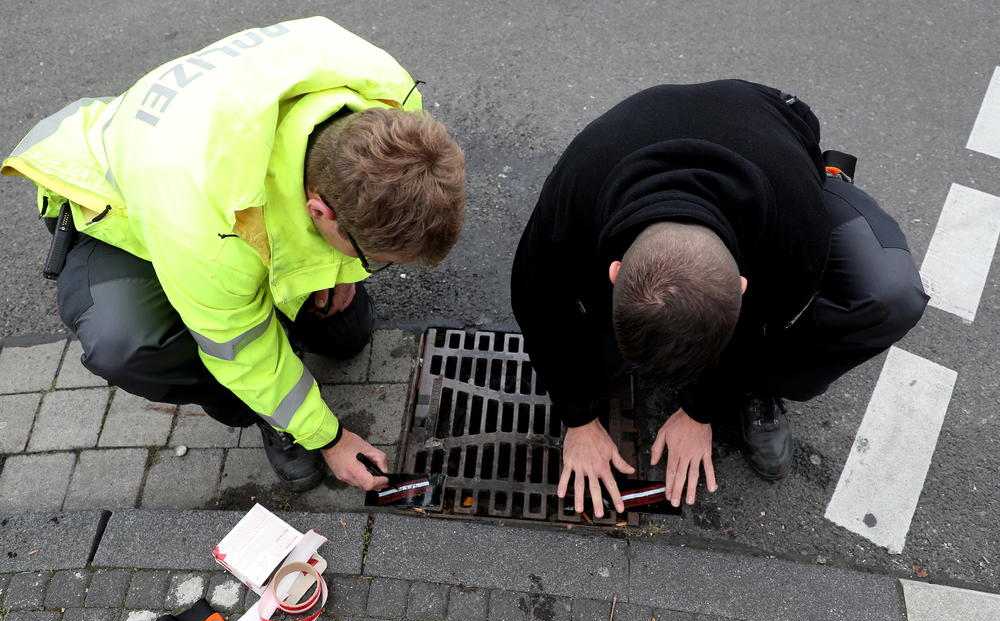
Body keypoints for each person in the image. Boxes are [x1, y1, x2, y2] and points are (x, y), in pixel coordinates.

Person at [1, 17, 465, 493]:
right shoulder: (199, 215)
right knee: (131, 344)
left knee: (347, 335)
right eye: (374, 259)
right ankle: (263, 416)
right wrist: (328, 437)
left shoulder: (391, 97)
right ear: (319, 210)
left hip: (234, 171)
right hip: (121, 208)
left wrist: (342, 268)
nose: (371, 269)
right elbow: (239, 345)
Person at [511, 80, 927, 517]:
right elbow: (537, 305)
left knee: (890, 295)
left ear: (745, 287)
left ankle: (757, 390)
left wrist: (700, 411)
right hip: (636, 146)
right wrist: (577, 418)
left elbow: (756, 333)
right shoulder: (574, 196)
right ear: (613, 273)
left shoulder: (793, 241)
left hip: (778, 148)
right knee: (593, 362)